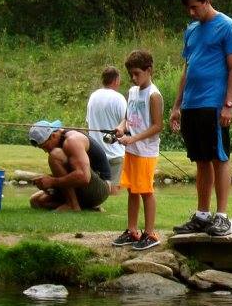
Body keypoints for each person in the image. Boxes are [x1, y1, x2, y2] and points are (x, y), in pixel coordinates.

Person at [169, 0, 232, 238]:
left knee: (219, 158)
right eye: (188, 9)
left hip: (214, 105)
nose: (191, 13)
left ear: (206, 0)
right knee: (200, 160)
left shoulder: (227, 26)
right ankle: (202, 215)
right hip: (192, 104)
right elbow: (187, 69)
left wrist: (228, 105)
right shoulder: (191, 31)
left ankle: (222, 217)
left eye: (194, 7)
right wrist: (177, 105)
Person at [111, 50, 164, 251]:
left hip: (146, 152)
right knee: (132, 190)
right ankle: (132, 230)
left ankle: (150, 234)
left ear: (148, 70)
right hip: (131, 149)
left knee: (145, 191)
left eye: (136, 74)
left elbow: (157, 126)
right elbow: (128, 117)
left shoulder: (154, 95)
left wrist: (133, 137)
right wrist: (121, 127)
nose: (133, 78)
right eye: (130, 74)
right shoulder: (132, 92)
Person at [27, 120, 112, 211]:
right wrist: (46, 181)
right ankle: (86, 207)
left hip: (100, 190)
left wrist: (53, 181)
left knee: (55, 155)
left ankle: (72, 205)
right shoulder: (60, 140)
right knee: (36, 201)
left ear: (53, 136)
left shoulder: (72, 141)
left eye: (45, 146)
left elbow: (84, 177)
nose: (45, 151)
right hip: (84, 186)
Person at [87, 66, 127, 196]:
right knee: (113, 189)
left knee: (97, 189)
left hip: (95, 152)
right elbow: (127, 122)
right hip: (115, 154)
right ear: (116, 80)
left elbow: (88, 121)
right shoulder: (119, 98)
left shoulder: (93, 96)